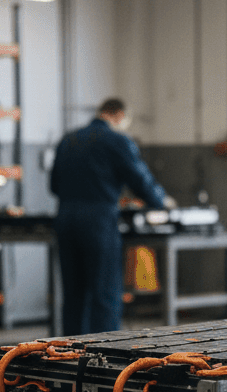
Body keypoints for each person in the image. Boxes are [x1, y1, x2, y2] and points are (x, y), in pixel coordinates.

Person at [50, 97, 174, 334]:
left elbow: (54, 185)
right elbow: (139, 179)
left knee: (74, 294)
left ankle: (68, 353)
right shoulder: (116, 140)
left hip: (65, 219)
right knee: (104, 293)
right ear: (119, 115)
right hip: (97, 221)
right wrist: (162, 202)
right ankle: (105, 353)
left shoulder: (69, 139)